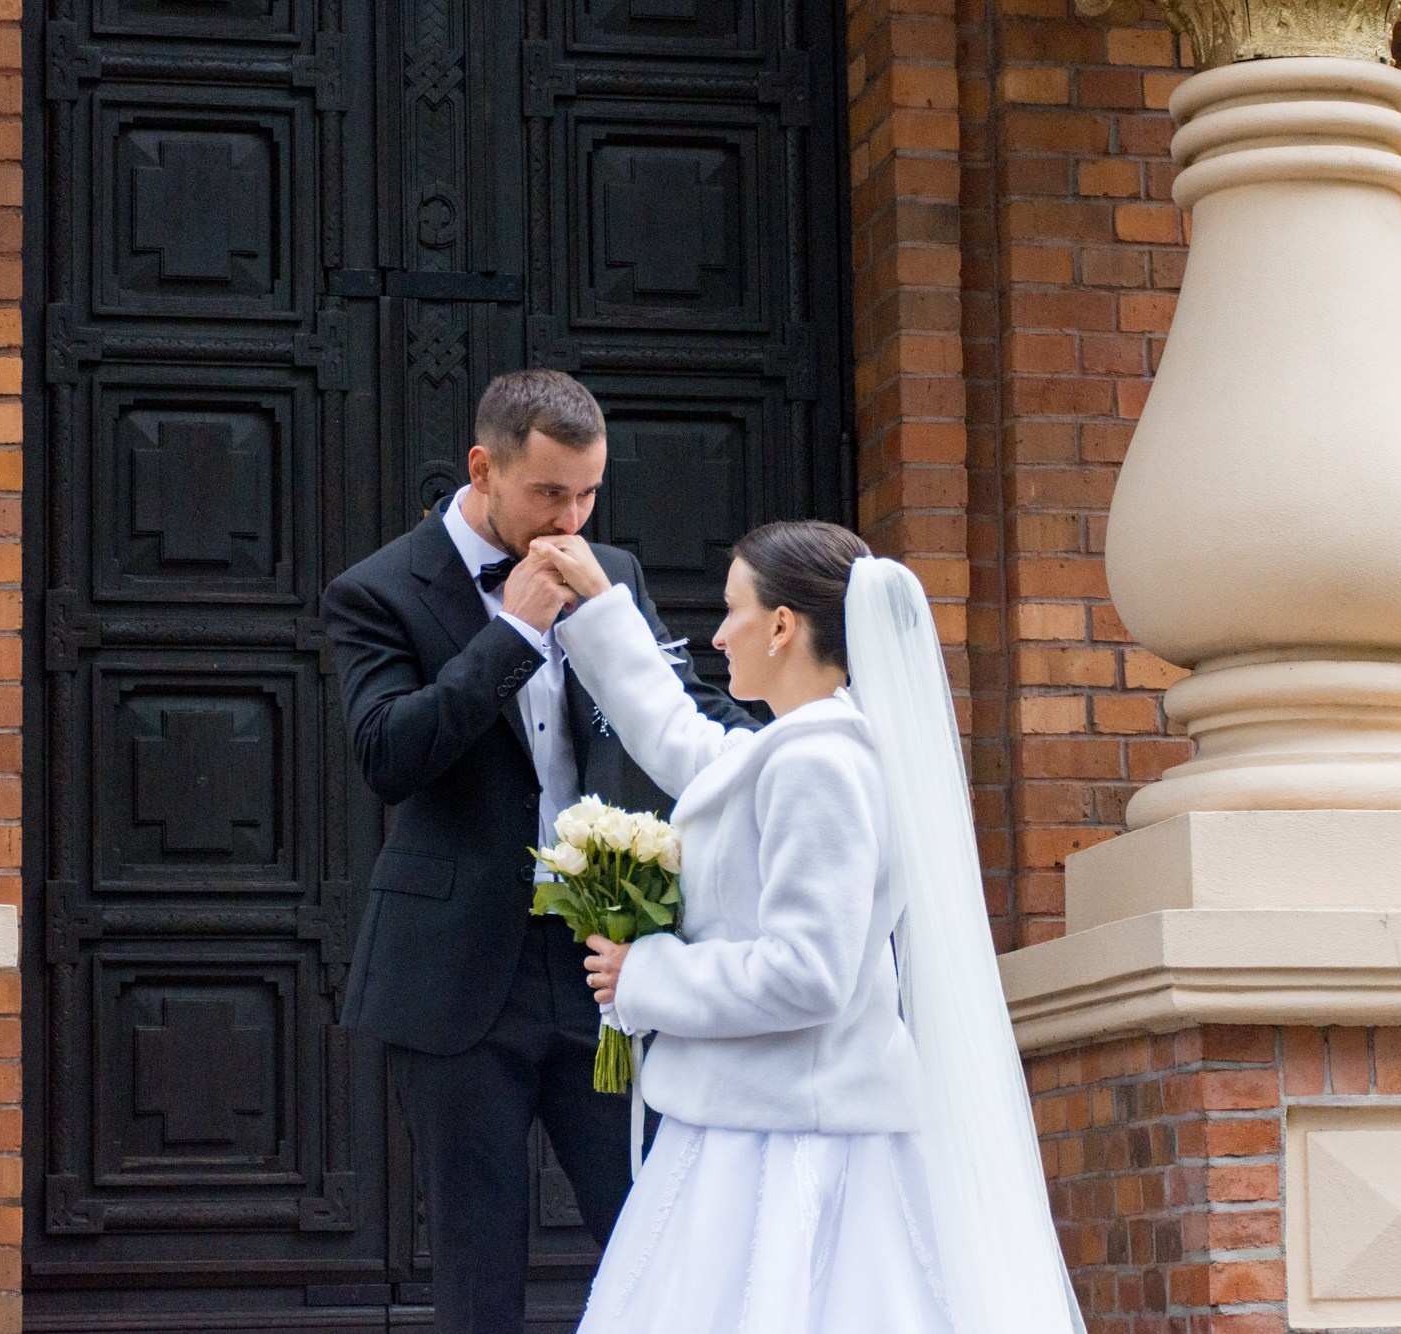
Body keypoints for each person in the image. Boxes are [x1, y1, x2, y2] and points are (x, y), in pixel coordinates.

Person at [534, 521, 1085, 1334]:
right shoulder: (800, 749)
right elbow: (679, 736)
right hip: (761, 1120)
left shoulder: (817, 764)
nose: (718, 635)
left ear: (783, 625)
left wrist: (644, 976)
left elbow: (808, 973)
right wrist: (600, 607)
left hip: (789, 1150)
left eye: (733, 610)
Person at [318, 369, 753, 1334]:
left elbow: (681, 709)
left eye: (589, 493)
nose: (572, 518)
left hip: (605, 962)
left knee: (659, 1236)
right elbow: (388, 753)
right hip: (456, 975)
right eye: (550, 492)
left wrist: (795, 752)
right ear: (483, 469)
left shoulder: (615, 569)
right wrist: (513, 629)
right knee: (478, 1274)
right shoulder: (377, 589)